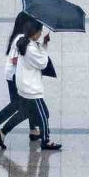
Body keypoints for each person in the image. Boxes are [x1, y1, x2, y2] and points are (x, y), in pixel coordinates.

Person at [0, 12, 42, 147]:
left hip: (14, 75)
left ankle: (33, 130)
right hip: (16, 76)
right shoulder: (21, 38)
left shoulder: (21, 36)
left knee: (23, 105)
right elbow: (15, 60)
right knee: (23, 107)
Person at [12, 22, 62, 151]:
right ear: (34, 33)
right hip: (32, 89)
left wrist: (44, 43)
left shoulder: (26, 43)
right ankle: (45, 140)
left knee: (31, 113)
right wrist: (45, 47)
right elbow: (43, 63)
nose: (41, 34)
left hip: (25, 86)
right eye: (40, 32)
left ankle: (2, 132)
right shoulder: (31, 48)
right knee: (43, 115)